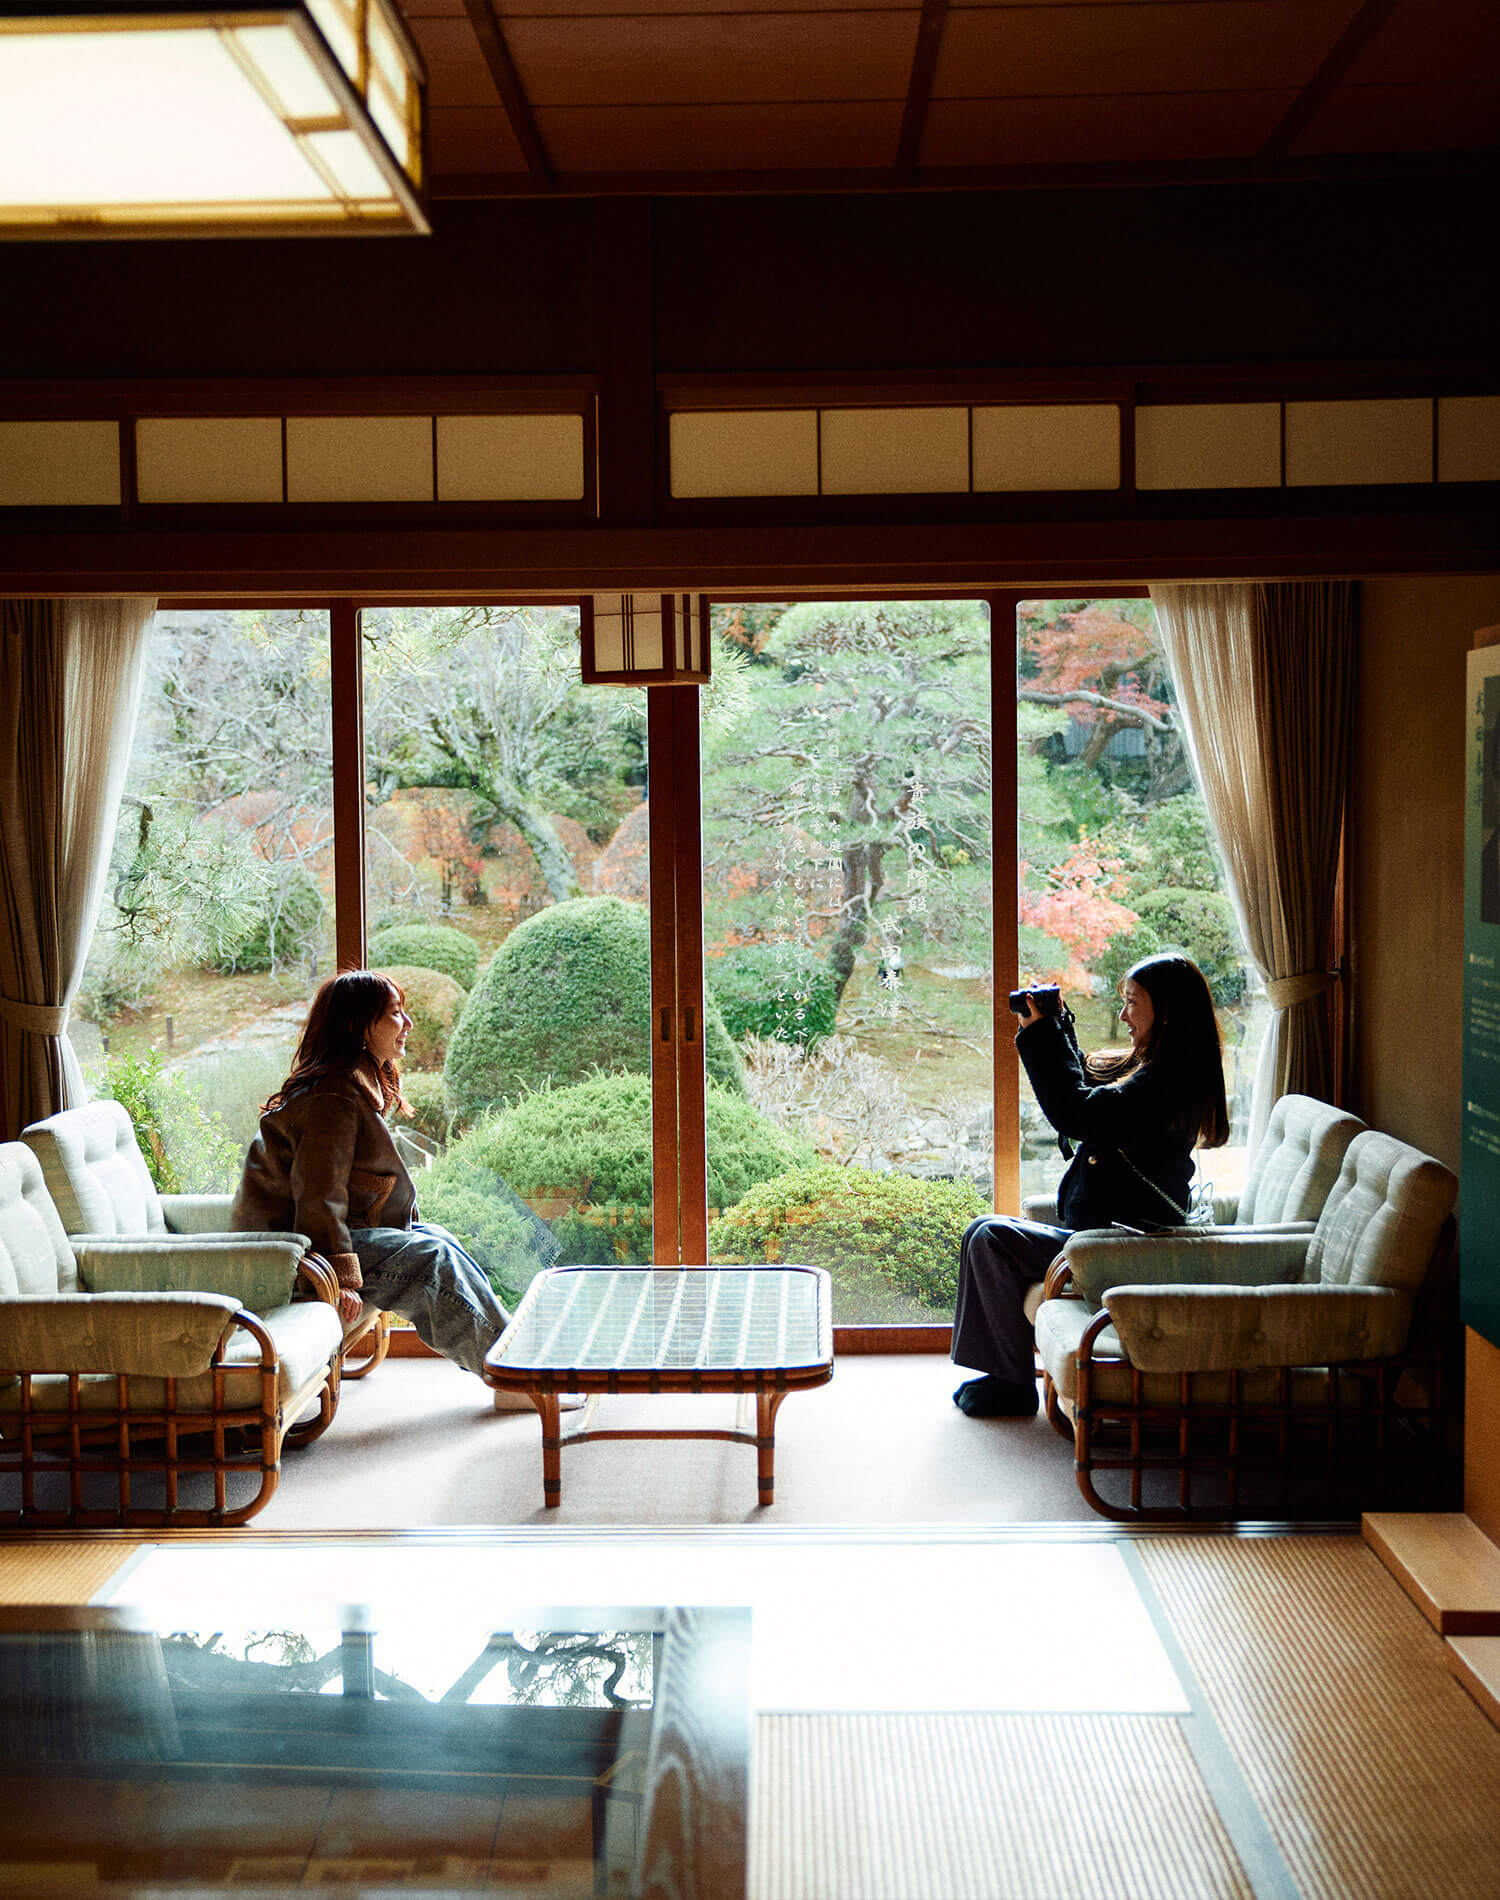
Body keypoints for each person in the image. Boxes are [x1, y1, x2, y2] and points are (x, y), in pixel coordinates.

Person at [232, 969, 558, 1405]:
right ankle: (515, 1380)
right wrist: (341, 1279)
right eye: (395, 1013)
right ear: (358, 1026)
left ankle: (515, 1359)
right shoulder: (332, 1098)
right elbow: (318, 1195)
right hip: (292, 1257)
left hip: (306, 1242)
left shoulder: (349, 1084)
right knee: (431, 1259)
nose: (407, 1023)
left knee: (438, 1238)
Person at [951, 952, 1229, 1418]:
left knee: (989, 1237)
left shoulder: (1166, 1082)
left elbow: (1078, 1112)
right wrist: (1052, 1025)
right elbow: (1090, 1081)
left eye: (1132, 1002)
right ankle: (1004, 1377)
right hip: (1111, 1233)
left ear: (1167, 1010)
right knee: (987, 1232)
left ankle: (1010, 1384)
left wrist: (1044, 1033)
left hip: (1124, 1246)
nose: (1124, 1015)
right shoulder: (1162, 1067)